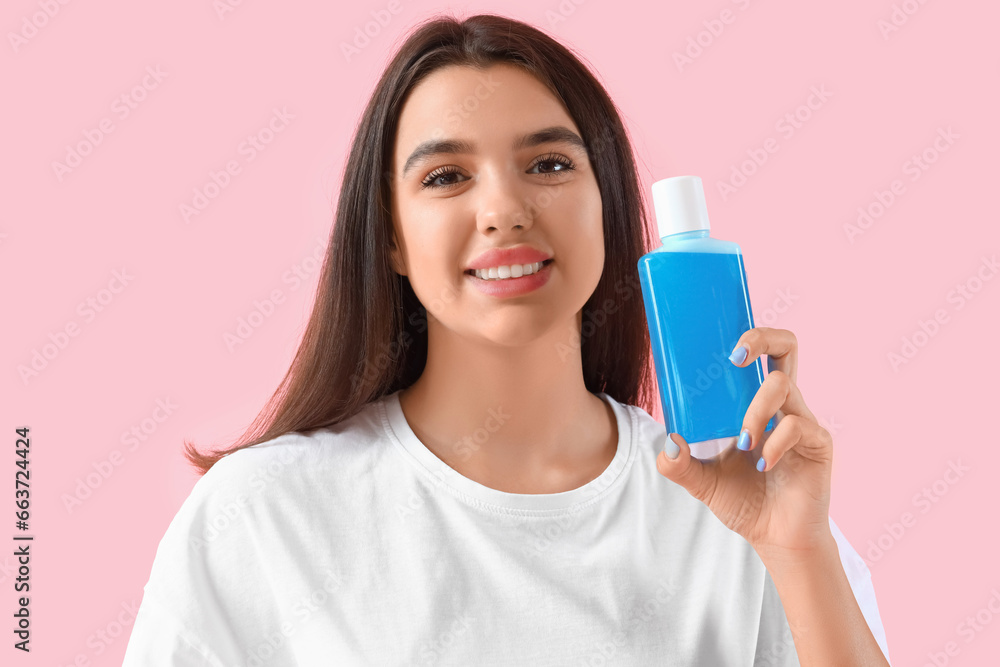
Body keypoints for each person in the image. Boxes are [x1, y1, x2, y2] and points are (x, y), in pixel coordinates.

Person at [123, 12, 891, 666]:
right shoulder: (263, 517)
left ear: (607, 206)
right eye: (445, 177)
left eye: (549, 163)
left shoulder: (741, 509)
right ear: (389, 236)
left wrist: (798, 551)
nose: (504, 209)